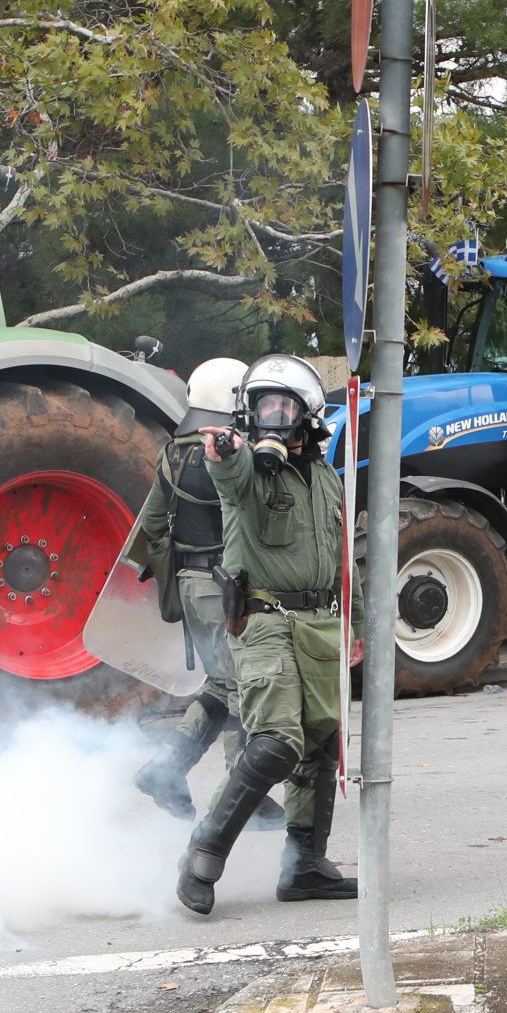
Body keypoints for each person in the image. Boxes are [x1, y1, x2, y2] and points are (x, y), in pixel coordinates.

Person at [175, 355, 355, 915]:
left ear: (308, 414)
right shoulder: (247, 469)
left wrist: (357, 626)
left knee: (322, 741)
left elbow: (346, 556)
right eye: (261, 406)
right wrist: (225, 453)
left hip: (323, 623)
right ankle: (204, 851)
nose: (271, 417)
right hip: (264, 621)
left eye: (283, 406)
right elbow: (229, 476)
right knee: (277, 742)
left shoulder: (326, 477)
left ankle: (304, 864)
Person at [129, 357, 282, 829]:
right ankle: (245, 791)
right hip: (228, 588)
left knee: (220, 680)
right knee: (242, 687)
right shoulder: (232, 455)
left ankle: (165, 769)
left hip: (192, 585)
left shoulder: (173, 452)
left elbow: (151, 525)